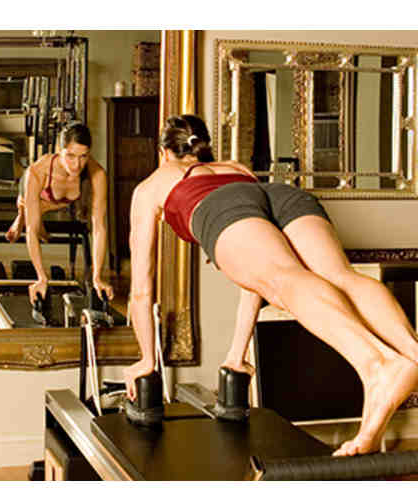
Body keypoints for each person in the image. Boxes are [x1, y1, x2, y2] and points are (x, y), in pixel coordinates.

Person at [124, 114, 418, 457]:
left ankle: (377, 365)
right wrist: (236, 355)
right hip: (279, 194)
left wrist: (147, 359)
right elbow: (257, 282)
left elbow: (142, 290)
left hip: (219, 206)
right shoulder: (234, 167)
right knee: (340, 276)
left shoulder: (151, 186)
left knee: (286, 279)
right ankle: (411, 355)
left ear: (164, 152)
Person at [5, 122, 113, 305]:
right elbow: (31, 231)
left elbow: (99, 228)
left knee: (39, 211)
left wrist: (97, 277)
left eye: (83, 156)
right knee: (31, 215)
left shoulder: (97, 174)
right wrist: (41, 277)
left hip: (57, 202)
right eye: (70, 156)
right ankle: (22, 213)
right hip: (37, 191)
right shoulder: (38, 172)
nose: (77, 165)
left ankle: (29, 213)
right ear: (58, 149)